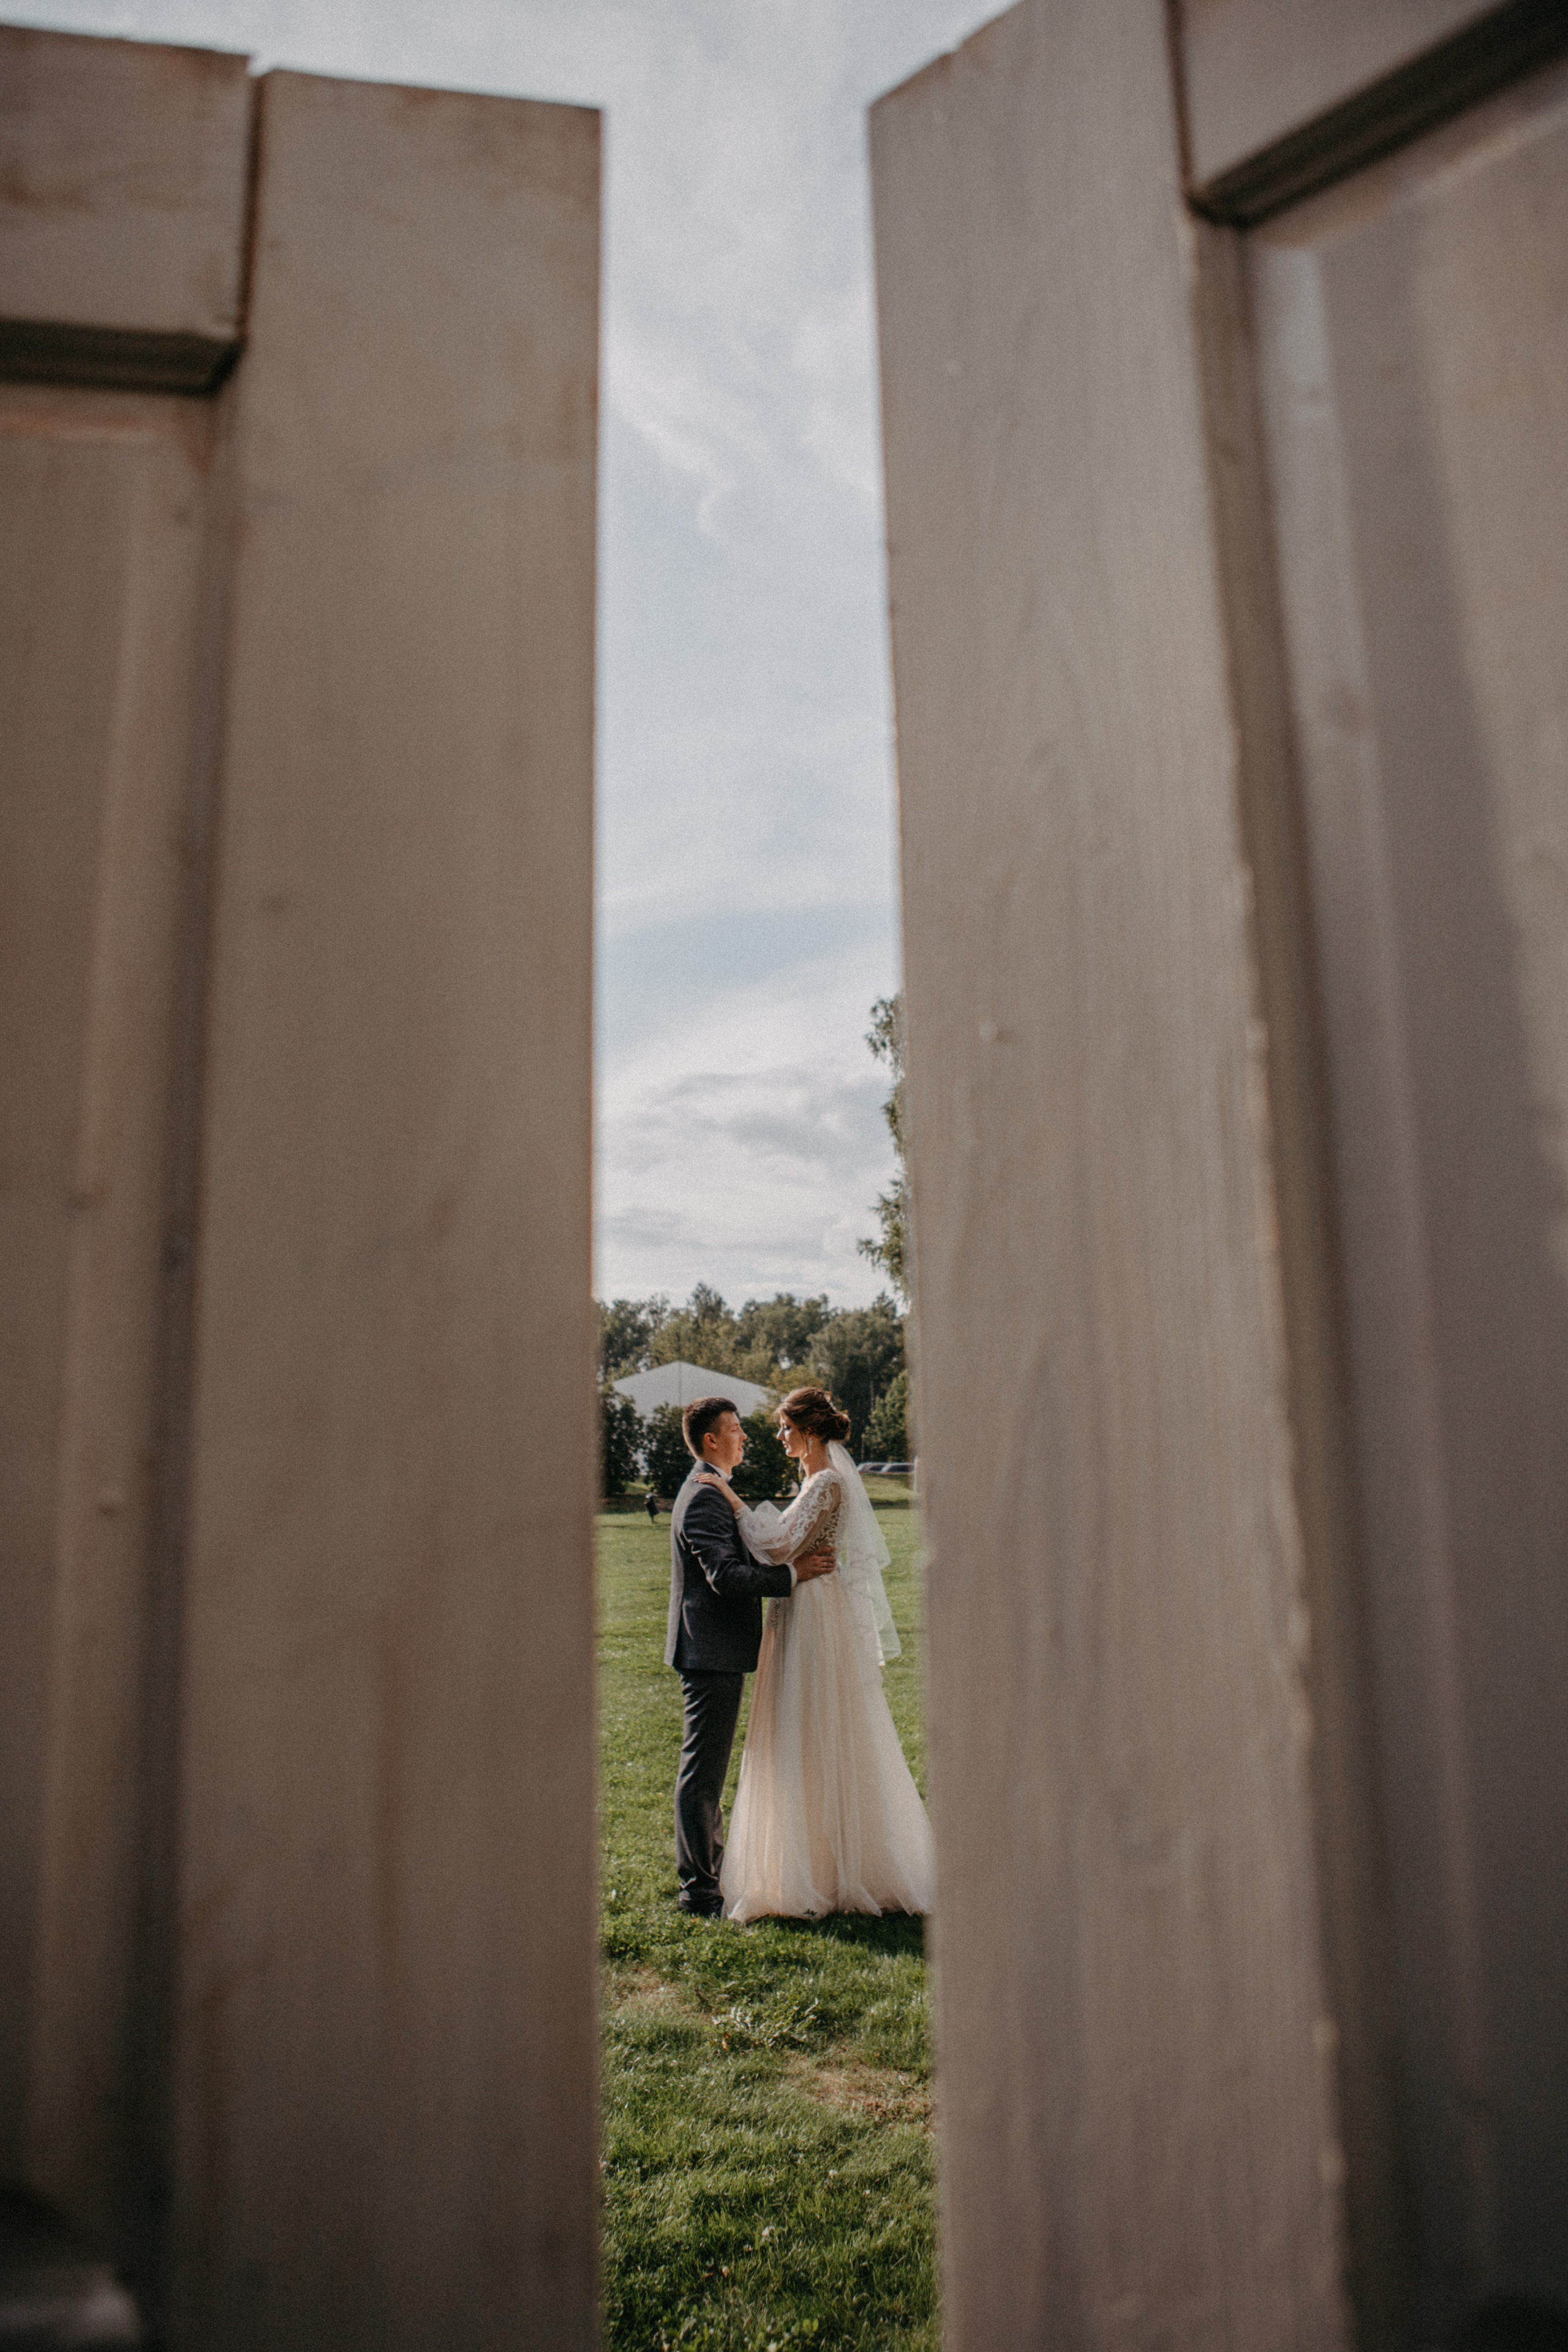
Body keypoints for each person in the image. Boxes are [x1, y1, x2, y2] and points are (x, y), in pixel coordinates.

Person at [695, 1385, 935, 1923]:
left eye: (786, 1427)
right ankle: (813, 1859)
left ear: (808, 1431)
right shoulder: (813, 1481)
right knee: (799, 1726)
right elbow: (785, 1544)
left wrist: (733, 1501)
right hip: (801, 1603)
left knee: (814, 1721)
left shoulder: (827, 1482)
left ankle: (830, 1868)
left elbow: (779, 1546)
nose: (780, 1436)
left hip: (815, 1612)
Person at [665, 1396, 837, 1919]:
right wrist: (792, 1574)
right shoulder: (703, 1497)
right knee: (703, 1774)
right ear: (712, 1439)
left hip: (715, 1649)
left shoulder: (711, 1490)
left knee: (708, 1772)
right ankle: (699, 1892)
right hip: (710, 1651)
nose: (745, 1436)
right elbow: (726, 1577)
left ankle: (708, 1877)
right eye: (737, 1429)